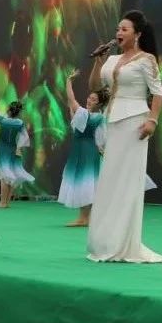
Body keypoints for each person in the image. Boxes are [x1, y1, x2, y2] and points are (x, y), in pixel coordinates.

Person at [86, 10, 162, 263]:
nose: (118, 33)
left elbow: (158, 93)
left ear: (137, 34)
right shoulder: (112, 59)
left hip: (135, 123)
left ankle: (122, 242)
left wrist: (152, 121)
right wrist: (98, 61)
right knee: (109, 179)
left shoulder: (146, 60)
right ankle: (104, 240)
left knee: (126, 181)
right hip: (113, 122)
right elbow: (95, 87)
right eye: (118, 29)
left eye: (124, 29)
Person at [59, 70, 108, 226]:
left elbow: (71, 99)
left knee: (84, 181)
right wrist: (100, 148)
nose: (89, 100)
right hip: (88, 150)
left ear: (99, 103)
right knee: (90, 182)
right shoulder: (98, 117)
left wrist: (68, 81)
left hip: (83, 150)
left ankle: (83, 218)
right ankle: (87, 217)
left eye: (93, 99)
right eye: (89, 97)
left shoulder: (86, 114)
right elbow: (101, 137)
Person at [0, 92, 35, 208]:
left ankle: (3, 203)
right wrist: (19, 148)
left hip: (3, 151)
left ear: (9, 110)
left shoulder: (2, 120)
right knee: (12, 176)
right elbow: (25, 137)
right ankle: (7, 202)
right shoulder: (19, 123)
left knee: (4, 177)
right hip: (14, 150)